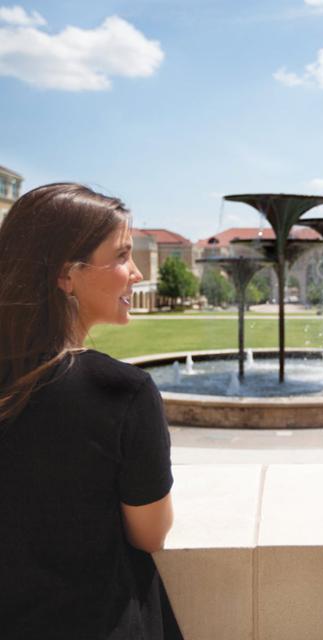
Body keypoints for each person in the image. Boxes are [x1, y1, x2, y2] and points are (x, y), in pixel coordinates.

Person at [0, 184, 181, 639]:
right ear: (66, 275)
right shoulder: (122, 392)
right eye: (121, 256)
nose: (135, 273)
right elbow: (150, 535)